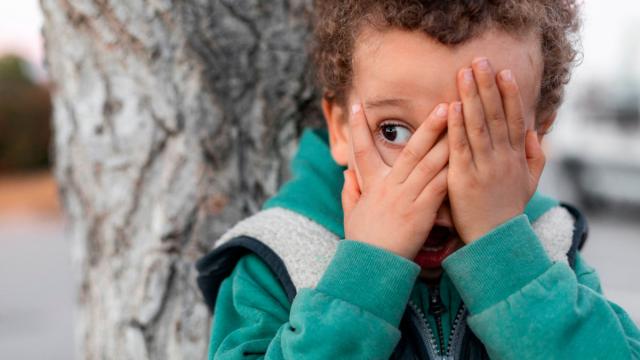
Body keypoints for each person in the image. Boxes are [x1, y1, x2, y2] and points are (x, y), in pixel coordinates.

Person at [196, 1, 640, 358]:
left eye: (481, 133)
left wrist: (509, 263)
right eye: (393, 132)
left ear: (537, 135)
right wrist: (363, 277)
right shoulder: (280, 259)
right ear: (338, 129)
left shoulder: (547, 251)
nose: (441, 176)